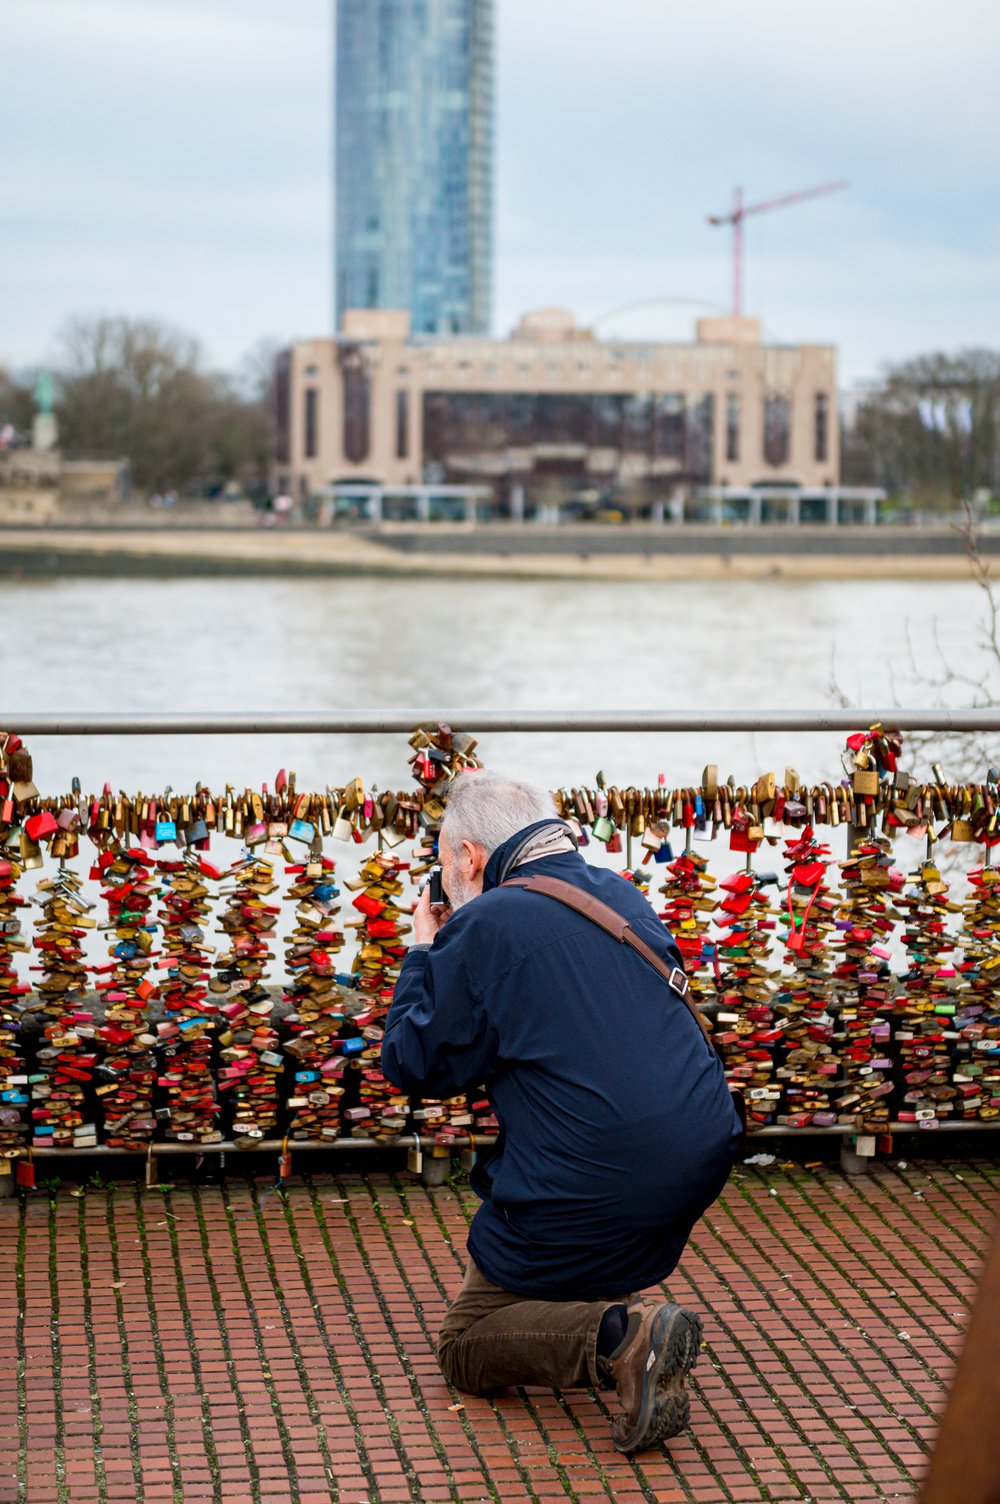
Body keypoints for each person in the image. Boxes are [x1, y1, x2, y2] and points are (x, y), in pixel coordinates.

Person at [381, 771, 744, 1453]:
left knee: (465, 1345)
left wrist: (426, 950)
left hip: (596, 1180)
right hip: (697, 1155)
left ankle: (622, 1339)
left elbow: (415, 1065)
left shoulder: (487, 921)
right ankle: (615, 1314)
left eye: (442, 863)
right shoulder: (618, 892)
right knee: (559, 1195)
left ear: (469, 859)